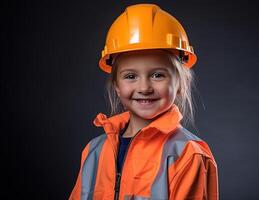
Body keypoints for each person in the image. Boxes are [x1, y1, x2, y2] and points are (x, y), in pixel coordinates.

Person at [69, 3, 218, 200]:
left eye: (157, 75)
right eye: (130, 76)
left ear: (180, 84)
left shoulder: (188, 155)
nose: (144, 87)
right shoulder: (94, 151)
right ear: (116, 85)